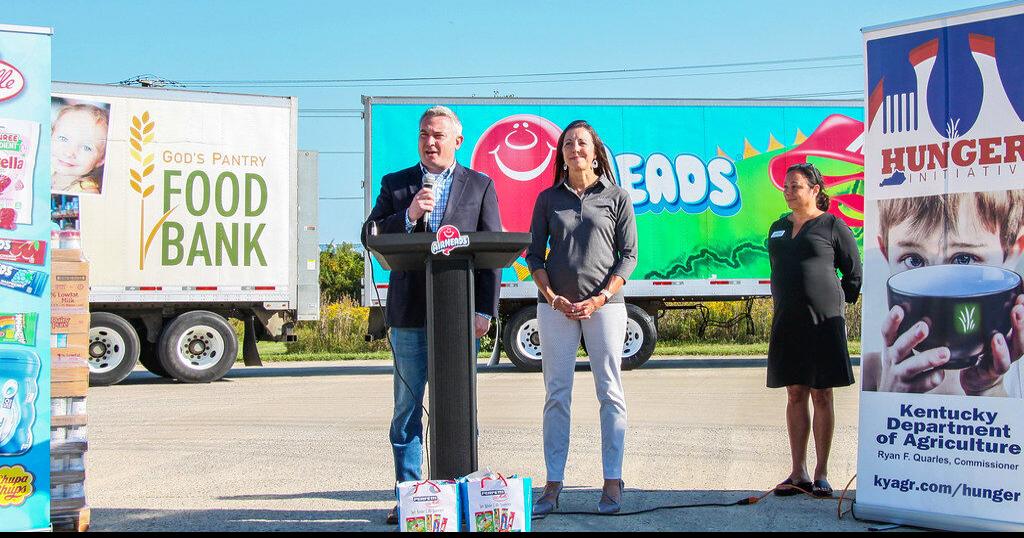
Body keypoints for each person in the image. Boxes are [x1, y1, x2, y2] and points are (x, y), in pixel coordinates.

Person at [360, 106, 502, 525]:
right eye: (424, 134)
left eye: (439, 135)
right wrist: (409, 215)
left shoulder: (479, 185)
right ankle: (410, 496)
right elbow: (369, 234)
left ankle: (458, 492)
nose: (430, 142)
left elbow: (492, 252)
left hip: (459, 315)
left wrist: (483, 309)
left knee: (458, 408)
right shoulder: (398, 184)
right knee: (406, 409)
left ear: (458, 141)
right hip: (409, 315)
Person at [526, 120, 638, 515]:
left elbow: (629, 256)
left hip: (605, 306)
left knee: (610, 391)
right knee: (557, 394)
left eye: (582, 143)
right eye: (569, 143)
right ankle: (553, 483)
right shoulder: (547, 199)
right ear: (561, 154)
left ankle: (612, 480)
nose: (576, 148)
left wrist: (601, 297)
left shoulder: (617, 196)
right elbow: (534, 255)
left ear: (595, 152)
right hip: (555, 308)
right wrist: (552, 297)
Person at [862, 190, 1024, 397]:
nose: (937, 284)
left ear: (1013, 252)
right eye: (914, 260)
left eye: (963, 259)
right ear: (886, 252)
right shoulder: (873, 372)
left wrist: (989, 388)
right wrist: (890, 394)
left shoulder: (1017, 376)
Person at [766, 162, 861, 499]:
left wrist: (835, 302)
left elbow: (853, 274)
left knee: (822, 393)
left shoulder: (833, 226)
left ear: (815, 190)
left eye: (796, 186)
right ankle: (799, 472)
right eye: (786, 186)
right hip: (788, 321)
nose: (788, 192)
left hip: (822, 323)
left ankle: (821, 473)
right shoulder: (778, 228)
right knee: (795, 393)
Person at [51, 104, 109, 194]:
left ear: (101, 160)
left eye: (86, 148)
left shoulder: (88, 192)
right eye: (63, 139)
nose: (69, 153)